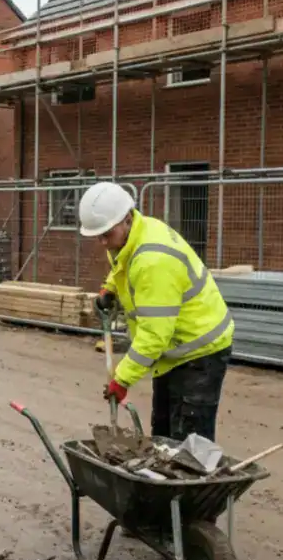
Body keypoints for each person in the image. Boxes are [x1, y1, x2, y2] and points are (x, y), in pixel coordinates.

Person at [79, 181, 234, 442]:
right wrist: (110, 290)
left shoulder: (153, 260)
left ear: (126, 219)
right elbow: (121, 269)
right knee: (163, 433)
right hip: (173, 348)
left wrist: (122, 379)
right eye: (98, 236)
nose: (103, 242)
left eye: (106, 233)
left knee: (189, 442)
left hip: (200, 350)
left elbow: (153, 335)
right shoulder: (129, 238)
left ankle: (195, 483)